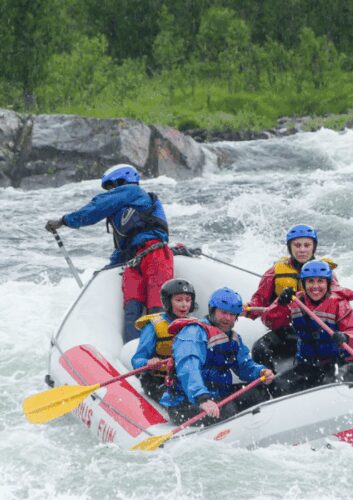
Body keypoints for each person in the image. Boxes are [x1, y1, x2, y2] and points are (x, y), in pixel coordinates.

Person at [45, 164, 173, 343]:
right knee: (132, 311)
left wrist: (64, 221)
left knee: (156, 309)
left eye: (111, 187)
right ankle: (133, 355)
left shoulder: (132, 192)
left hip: (155, 256)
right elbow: (122, 249)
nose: (111, 192)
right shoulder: (127, 205)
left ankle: (162, 356)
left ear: (120, 180)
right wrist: (107, 269)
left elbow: (97, 207)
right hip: (133, 261)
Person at [159, 287, 275, 424]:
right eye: (223, 312)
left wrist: (260, 371)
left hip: (217, 394)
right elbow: (189, 366)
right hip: (185, 401)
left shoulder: (233, 338)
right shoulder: (194, 332)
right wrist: (202, 398)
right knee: (229, 410)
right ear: (212, 310)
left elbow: (244, 366)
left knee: (258, 393)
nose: (228, 318)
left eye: (232, 314)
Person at [261, 260, 353, 398]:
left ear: (328, 283)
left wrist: (345, 337)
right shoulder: (295, 300)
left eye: (320, 281)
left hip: (341, 362)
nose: (315, 286)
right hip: (309, 363)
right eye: (310, 281)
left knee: (331, 385)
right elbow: (269, 320)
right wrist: (280, 304)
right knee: (279, 386)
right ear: (303, 284)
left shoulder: (340, 303)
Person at [246, 224, 338, 371]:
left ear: (313, 247)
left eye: (307, 245)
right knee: (259, 349)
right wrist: (248, 309)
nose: (302, 250)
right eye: (297, 245)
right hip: (287, 330)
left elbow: (337, 300)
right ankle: (271, 384)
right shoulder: (275, 272)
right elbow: (259, 301)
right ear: (290, 247)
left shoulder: (324, 272)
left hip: (318, 330)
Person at [130, 278, 196, 401]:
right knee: (182, 399)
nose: (184, 305)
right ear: (168, 302)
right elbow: (137, 360)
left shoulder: (194, 325)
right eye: (178, 300)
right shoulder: (153, 326)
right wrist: (148, 363)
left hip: (183, 378)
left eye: (188, 300)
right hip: (157, 380)